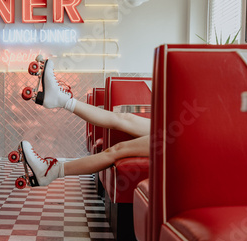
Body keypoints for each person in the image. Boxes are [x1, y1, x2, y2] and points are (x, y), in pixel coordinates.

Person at [20, 59, 150, 186]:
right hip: (167, 129)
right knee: (125, 118)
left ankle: (51, 172)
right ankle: (62, 100)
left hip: (169, 143)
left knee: (118, 149)